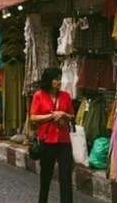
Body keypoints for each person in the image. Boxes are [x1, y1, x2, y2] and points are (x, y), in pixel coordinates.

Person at [30, 67, 74, 203]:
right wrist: (51, 116)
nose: (59, 81)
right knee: (46, 177)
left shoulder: (66, 96)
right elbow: (33, 117)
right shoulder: (39, 95)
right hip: (47, 141)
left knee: (66, 176)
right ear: (49, 80)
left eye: (60, 79)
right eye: (56, 79)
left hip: (64, 141)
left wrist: (63, 114)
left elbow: (72, 116)